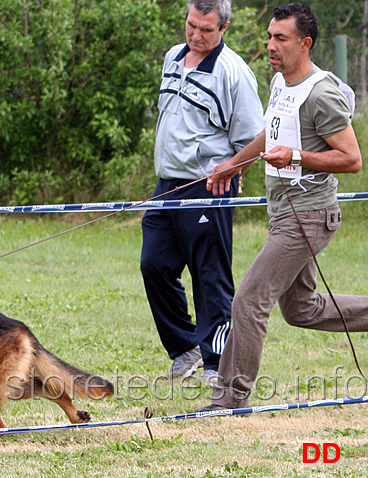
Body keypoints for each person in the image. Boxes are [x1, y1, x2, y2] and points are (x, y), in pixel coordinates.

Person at [199, 2, 367, 411]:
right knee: (302, 310)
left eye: (281, 38)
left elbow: (351, 159)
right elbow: (270, 132)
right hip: (284, 214)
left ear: (305, 43)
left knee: (249, 299)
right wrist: (234, 163)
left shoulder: (322, 93)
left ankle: (228, 400)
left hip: (308, 216)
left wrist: (295, 156)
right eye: (270, 36)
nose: (271, 45)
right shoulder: (280, 82)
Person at [141, 0, 264, 383]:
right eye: (191, 25)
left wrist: (233, 168)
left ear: (223, 28)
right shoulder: (172, 58)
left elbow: (257, 140)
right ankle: (184, 347)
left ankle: (217, 364)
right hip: (166, 186)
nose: (195, 35)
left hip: (206, 189)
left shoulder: (234, 73)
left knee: (210, 277)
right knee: (154, 265)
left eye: (206, 29)